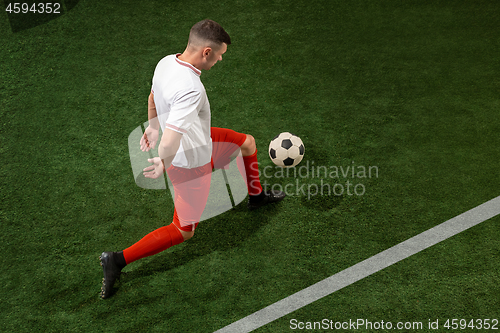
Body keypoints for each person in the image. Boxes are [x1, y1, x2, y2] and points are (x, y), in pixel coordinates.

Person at [99, 19, 285, 299]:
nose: (221, 59)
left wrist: (152, 126)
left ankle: (256, 197)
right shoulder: (191, 88)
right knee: (183, 231)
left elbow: (152, 97)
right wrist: (163, 160)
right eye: (220, 54)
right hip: (190, 163)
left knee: (247, 143)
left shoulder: (166, 62)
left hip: (202, 140)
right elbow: (171, 142)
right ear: (206, 52)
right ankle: (116, 260)